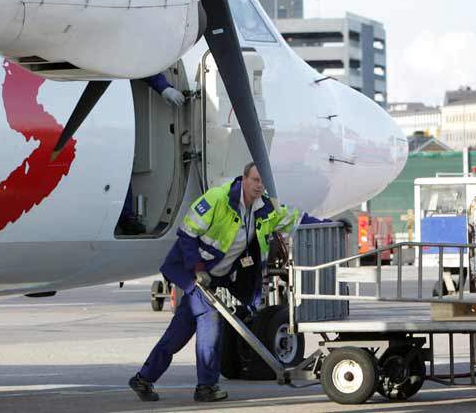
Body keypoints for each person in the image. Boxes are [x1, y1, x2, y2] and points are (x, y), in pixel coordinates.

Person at [128, 163, 327, 402]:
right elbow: (186, 233)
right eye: (254, 180)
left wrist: (327, 224)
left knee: (180, 331)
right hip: (190, 271)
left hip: (214, 277)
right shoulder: (217, 199)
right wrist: (198, 269)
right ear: (243, 178)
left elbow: (295, 219)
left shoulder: (264, 209)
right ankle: (206, 387)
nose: (259, 186)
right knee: (210, 320)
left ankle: (143, 378)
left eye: (262, 182)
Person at [117, 73, 186, 235]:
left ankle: (126, 218)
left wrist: (164, 88)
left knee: (121, 164)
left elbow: (141, 63)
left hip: (117, 121)